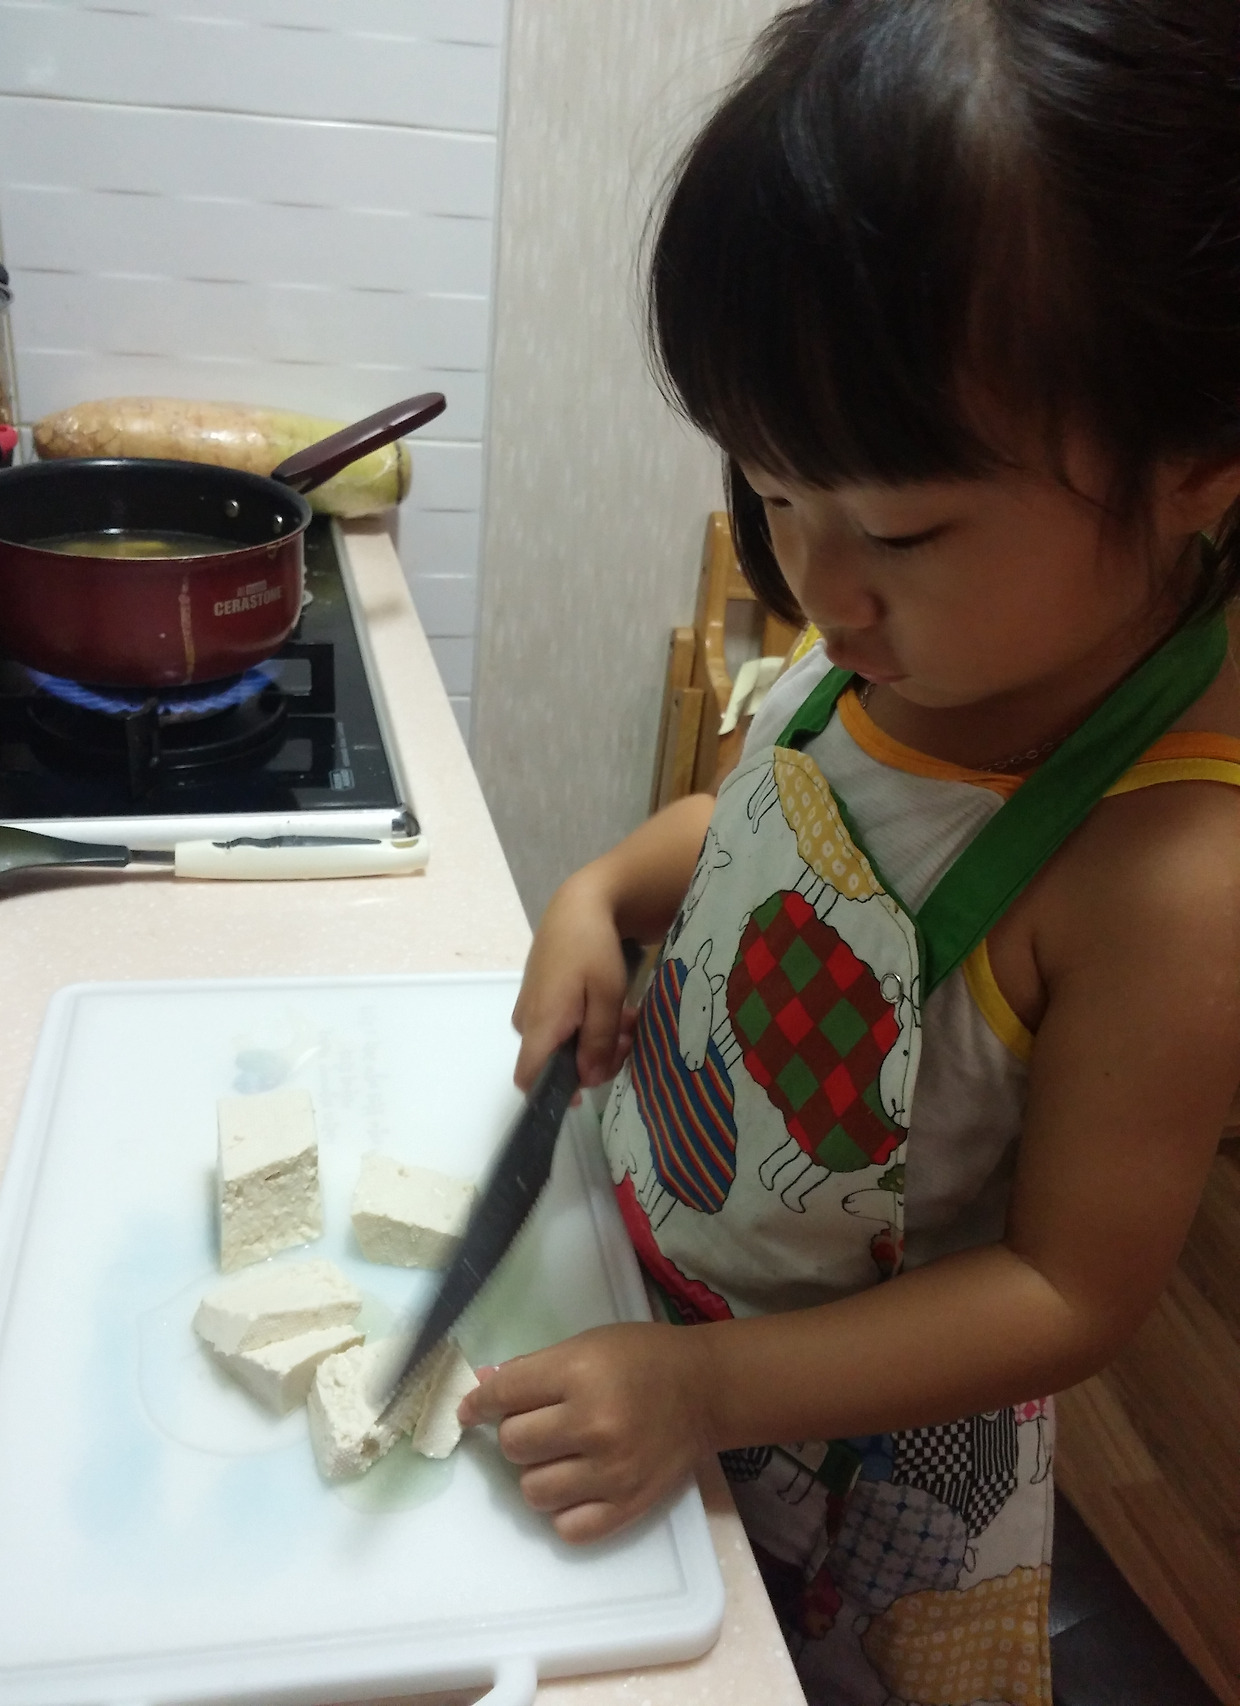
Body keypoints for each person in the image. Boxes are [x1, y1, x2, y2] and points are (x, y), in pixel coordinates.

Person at [459, 2, 1240, 1699]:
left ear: (1196, 462)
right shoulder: (897, 641)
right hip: (654, 1297)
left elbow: (1068, 1289)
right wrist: (602, 891)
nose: (818, 582)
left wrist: (708, 1393)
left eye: (899, 525)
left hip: (856, 1464)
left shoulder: (1170, 873)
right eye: (771, 491)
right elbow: (767, 829)